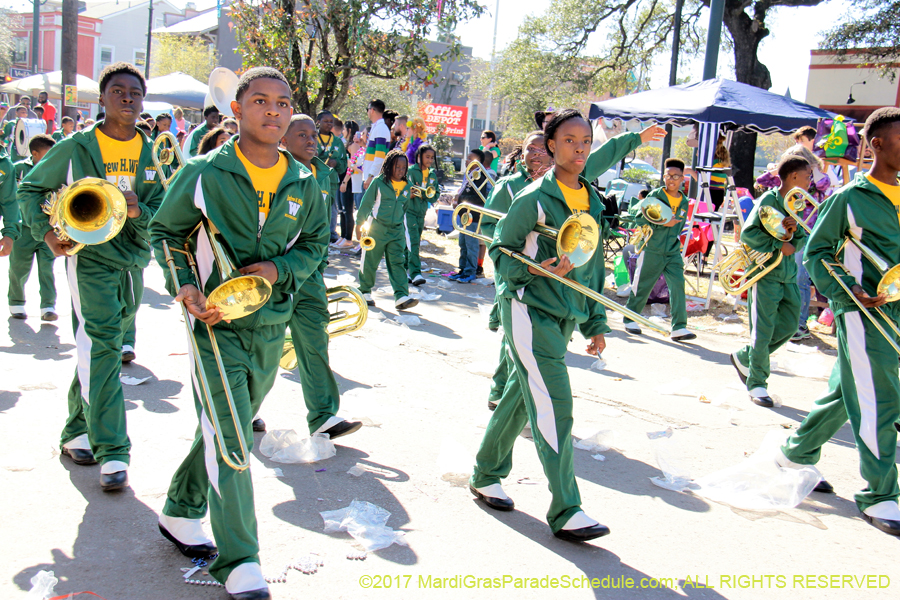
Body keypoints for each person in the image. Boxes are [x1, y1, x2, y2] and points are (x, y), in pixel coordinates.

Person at [151, 67, 329, 599]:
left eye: (282, 102)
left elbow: (316, 243)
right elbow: (167, 231)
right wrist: (185, 286)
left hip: (271, 324)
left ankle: (180, 513)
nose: (272, 111)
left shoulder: (304, 180)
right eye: (260, 101)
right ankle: (239, 559)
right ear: (237, 109)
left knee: (221, 423)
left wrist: (280, 270)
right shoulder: (205, 170)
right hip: (213, 324)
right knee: (231, 438)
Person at [18, 61, 164, 492]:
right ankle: (113, 450)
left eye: (135, 93)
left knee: (96, 345)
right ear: (102, 98)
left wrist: (140, 210)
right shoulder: (75, 145)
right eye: (118, 91)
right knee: (103, 345)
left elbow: (166, 207)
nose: (127, 98)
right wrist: (44, 232)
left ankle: (74, 430)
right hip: (90, 259)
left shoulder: (156, 151)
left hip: (134, 260)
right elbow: (30, 189)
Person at [470, 109, 611, 543]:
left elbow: (592, 266)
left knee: (519, 394)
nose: (581, 148)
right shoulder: (531, 197)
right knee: (554, 402)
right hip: (528, 309)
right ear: (552, 145)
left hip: (566, 314)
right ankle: (567, 508)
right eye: (570, 140)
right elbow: (501, 252)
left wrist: (596, 322)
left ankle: (485, 472)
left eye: (586, 140)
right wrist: (532, 268)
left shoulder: (591, 200)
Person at [778, 107, 900, 537]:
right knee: (880, 400)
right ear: (877, 145)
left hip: (897, 307)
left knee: (849, 391)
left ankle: (795, 452)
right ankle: (881, 494)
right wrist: (850, 290)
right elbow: (817, 253)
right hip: (864, 312)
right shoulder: (848, 199)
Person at [280, 113, 363, 440]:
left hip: (311, 272)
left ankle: (324, 416)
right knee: (263, 345)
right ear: (283, 140)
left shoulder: (326, 173)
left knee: (315, 339)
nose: (311, 140)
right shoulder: (275, 171)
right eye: (302, 135)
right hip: (277, 271)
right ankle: (248, 407)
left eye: (313, 134)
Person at [730, 156, 811, 407]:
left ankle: (745, 356)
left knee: (788, 327)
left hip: (788, 276)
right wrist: (779, 244)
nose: (811, 181)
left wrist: (793, 236)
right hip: (765, 274)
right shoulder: (769, 200)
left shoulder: (795, 204)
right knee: (762, 331)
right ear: (794, 177)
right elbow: (749, 233)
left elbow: (800, 239)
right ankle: (757, 383)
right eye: (808, 175)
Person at [623, 158, 697, 342]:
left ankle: (679, 327)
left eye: (676, 176)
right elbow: (639, 218)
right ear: (664, 177)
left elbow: (679, 227)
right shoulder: (655, 196)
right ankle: (630, 318)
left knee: (678, 285)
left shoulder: (685, 201)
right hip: (652, 248)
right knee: (642, 285)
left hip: (672, 251)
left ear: (683, 179)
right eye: (668, 176)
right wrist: (664, 221)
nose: (671, 179)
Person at [357, 148, 419, 310]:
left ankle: (401, 296)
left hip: (396, 231)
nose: (400, 170)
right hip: (377, 228)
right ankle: (364, 291)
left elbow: (404, 208)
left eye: (403, 168)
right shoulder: (378, 182)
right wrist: (359, 224)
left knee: (398, 262)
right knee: (370, 260)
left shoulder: (408, 186)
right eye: (397, 167)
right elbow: (366, 205)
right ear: (389, 166)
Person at [9, 134, 57, 321]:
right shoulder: (18, 169)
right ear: (35, 154)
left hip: (48, 229)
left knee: (47, 268)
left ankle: (48, 306)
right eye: (47, 153)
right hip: (24, 230)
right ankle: (16, 302)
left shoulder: (55, 169)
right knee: (18, 268)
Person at [451, 149, 490, 283]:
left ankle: (470, 271)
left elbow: (479, 197)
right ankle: (462, 269)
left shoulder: (480, 177)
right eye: (467, 158)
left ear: (478, 162)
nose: (467, 161)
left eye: (470, 159)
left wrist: (460, 200)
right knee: (463, 243)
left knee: (471, 244)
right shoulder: (469, 175)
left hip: (473, 216)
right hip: (464, 216)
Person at [405, 144, 438, 286]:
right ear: (419, 157)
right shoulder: (411, 171)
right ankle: (415, 273)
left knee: (414, 242)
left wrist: (427, 196)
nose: (430, 160)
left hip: (421, 212)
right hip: (409, 211)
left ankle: (405, 269)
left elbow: (435, 194)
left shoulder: (432, 175)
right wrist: (409, 194)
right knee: (412, 241)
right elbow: (403, 187)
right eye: (427, 157)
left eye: (432, 158)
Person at [316, 110, 349, 248]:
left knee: (332, 207)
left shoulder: (337, 141)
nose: (329, 124)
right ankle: (314, 233)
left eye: (331, 122)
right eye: (326, 121)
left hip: (331, 180)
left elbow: (344, 164)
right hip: (315, 179)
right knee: (315, 206)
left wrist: (336, 163)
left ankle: (330, 234)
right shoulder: (311, 138)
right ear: (318, 122)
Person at [338, 120, 360, 244]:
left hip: (349, 182)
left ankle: (348, 239)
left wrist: (345, 181)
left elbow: (352, 166)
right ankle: (343, 236)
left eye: (345, 129)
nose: (343, 132)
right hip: (342, 179)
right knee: (342, 210)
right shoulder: (347, 145)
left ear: (350, 130)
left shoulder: (354, 146)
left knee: (348, 210)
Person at [362, 99, 390, 191]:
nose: (367, 112)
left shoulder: (381, 128)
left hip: (375, 179)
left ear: (372, 110)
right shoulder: (377, 127)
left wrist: (371, 175)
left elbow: (380, 156)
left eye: (368, 109)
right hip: (371, 177)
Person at [708, 136, 731, 211]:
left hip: (711, 190)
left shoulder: (713, 162)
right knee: (715, 212)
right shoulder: (725, 164)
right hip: (720, 191)